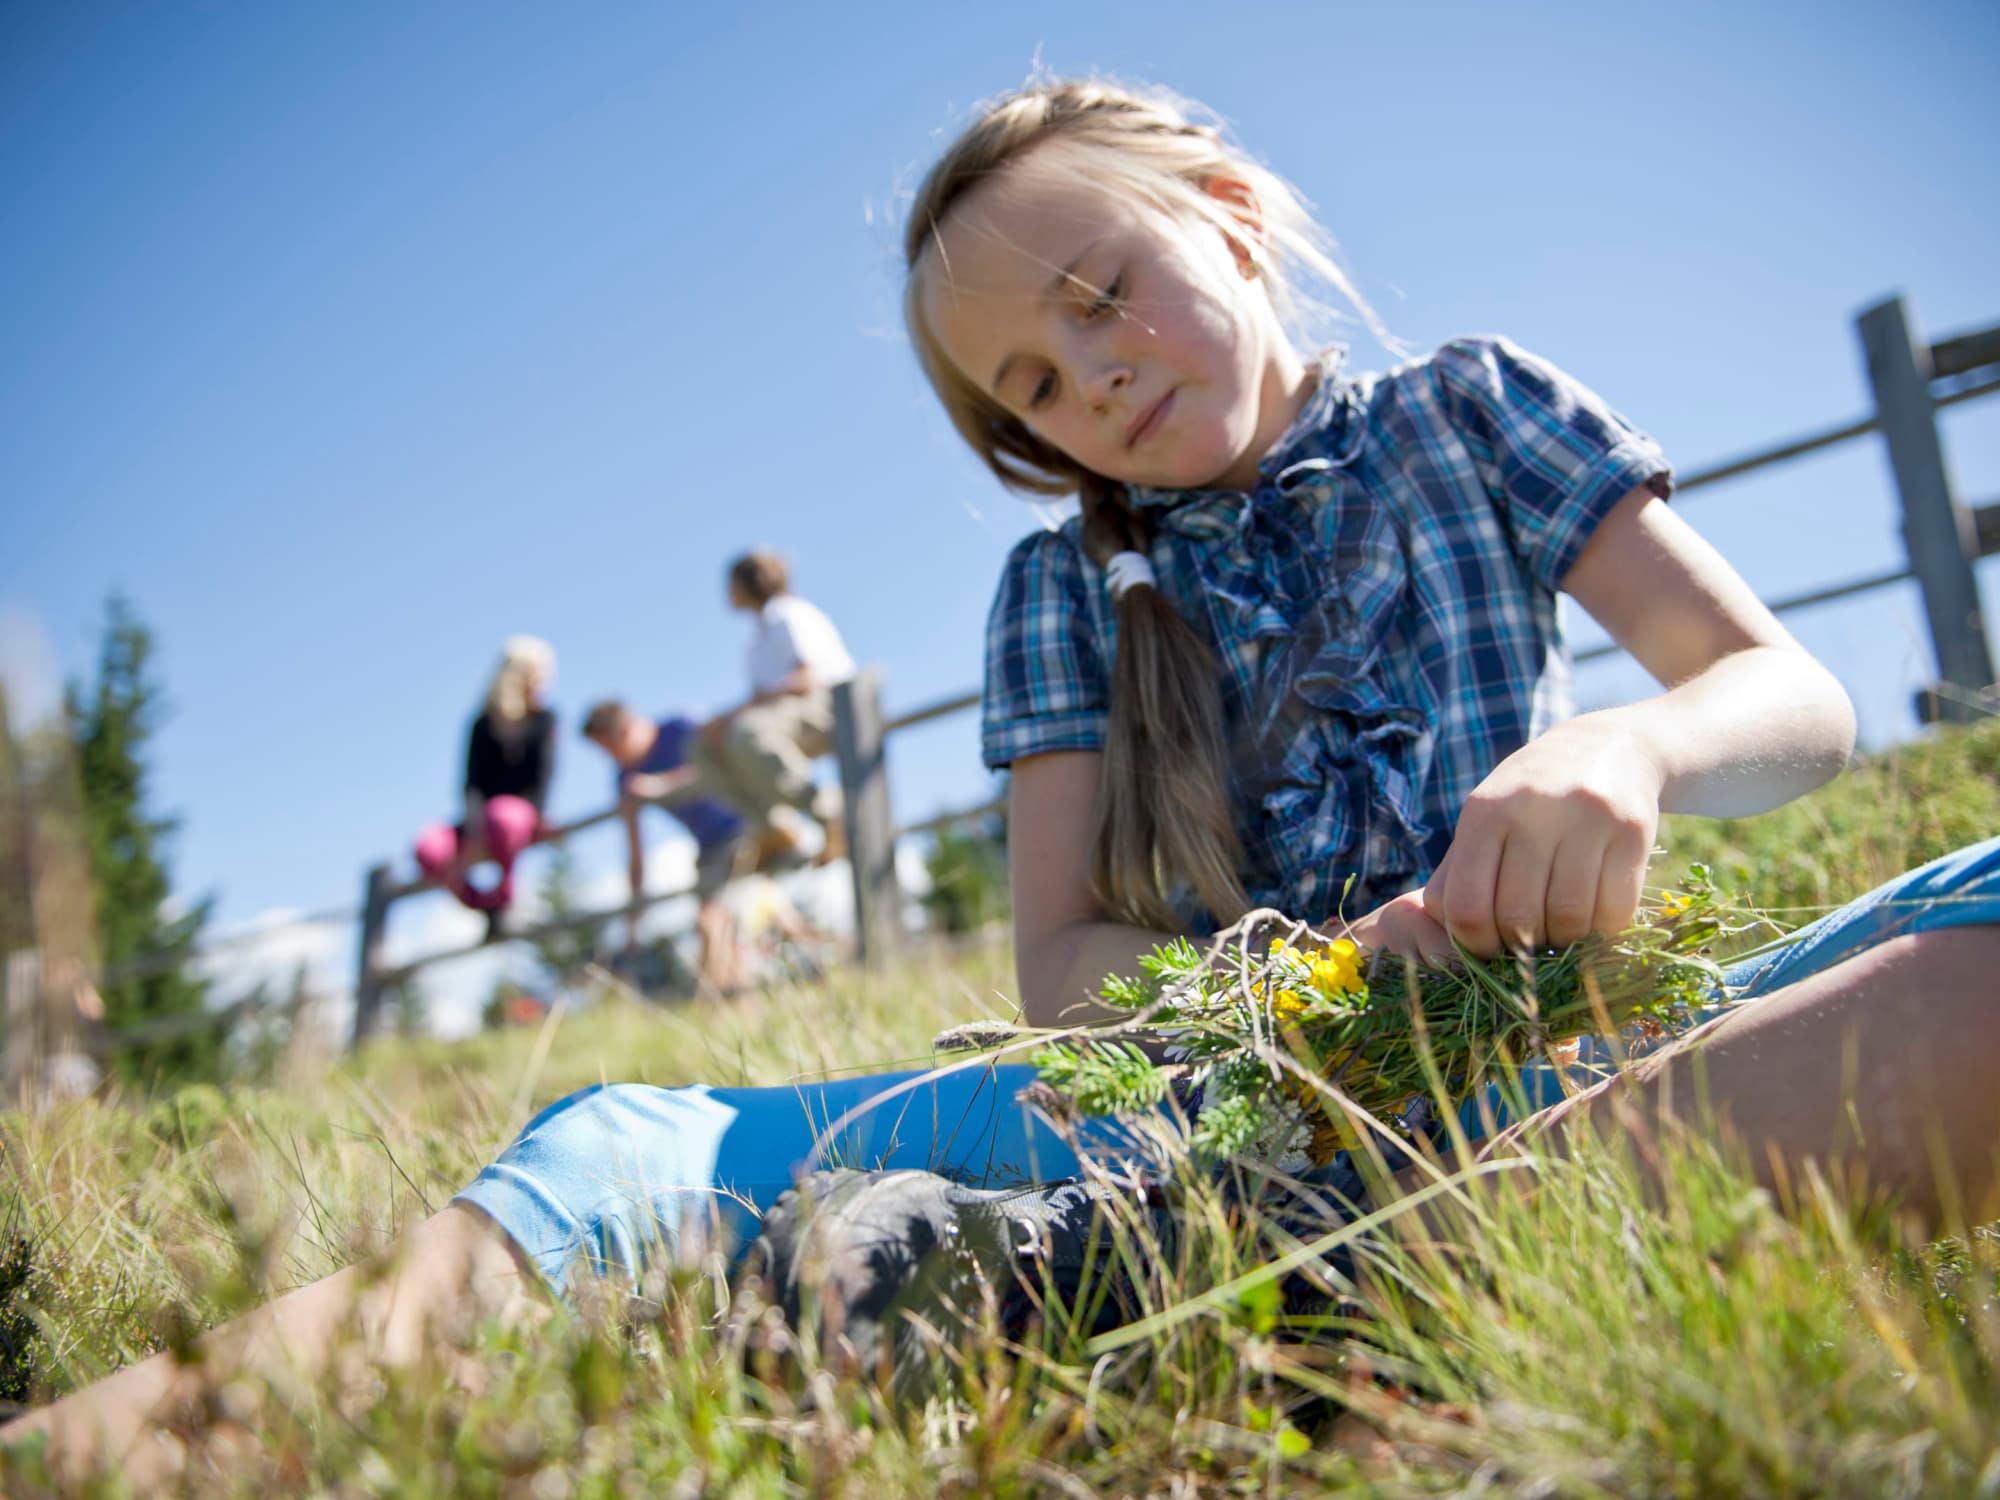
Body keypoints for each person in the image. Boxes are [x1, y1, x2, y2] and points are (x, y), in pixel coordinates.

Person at [10, 79, 1998, 1484]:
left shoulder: (1474, 407)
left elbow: (1786, 689)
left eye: (1101, 288)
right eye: (1033, 387)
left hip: (1572, 1039)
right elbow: (1061, 953)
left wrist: (1625, 744)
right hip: (1204, 1099)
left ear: (1222, 205)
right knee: (633, 1142)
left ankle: (1301, 1278)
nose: (1093, 374)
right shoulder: (1065, 595)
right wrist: (1258, 1019)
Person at [582, 699, 757, 996]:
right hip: (709, 846)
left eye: (610, 750)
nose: (613, 760)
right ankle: (735, 1005)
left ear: (624, 732)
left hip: (746, 824)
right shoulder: (626, 779)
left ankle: (722, 1005)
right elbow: (636, 853)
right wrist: (634, 920)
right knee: (713, 924)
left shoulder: (681, 729)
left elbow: (726, 760)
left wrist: (660, 784)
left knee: (715, 921)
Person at [694, 551, 857, 865]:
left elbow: (806, 678)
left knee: (747, 731)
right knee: (703, 749)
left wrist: (737, 715)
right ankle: (772, 827)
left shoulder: (787, 614)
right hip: (787, 715)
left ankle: (830, 812)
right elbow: (762, 698)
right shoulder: (756, 638)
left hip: (829, 705)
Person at [412, 637, 557, 938]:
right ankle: (482, 905)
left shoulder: (544, 720)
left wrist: (538, 816)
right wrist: (476, 827)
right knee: (429, 849)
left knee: (501, 817)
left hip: (516, 815)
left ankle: (506, 898)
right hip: (480, 818)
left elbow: (542, 777)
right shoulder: (482, 724)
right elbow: (471, 782)